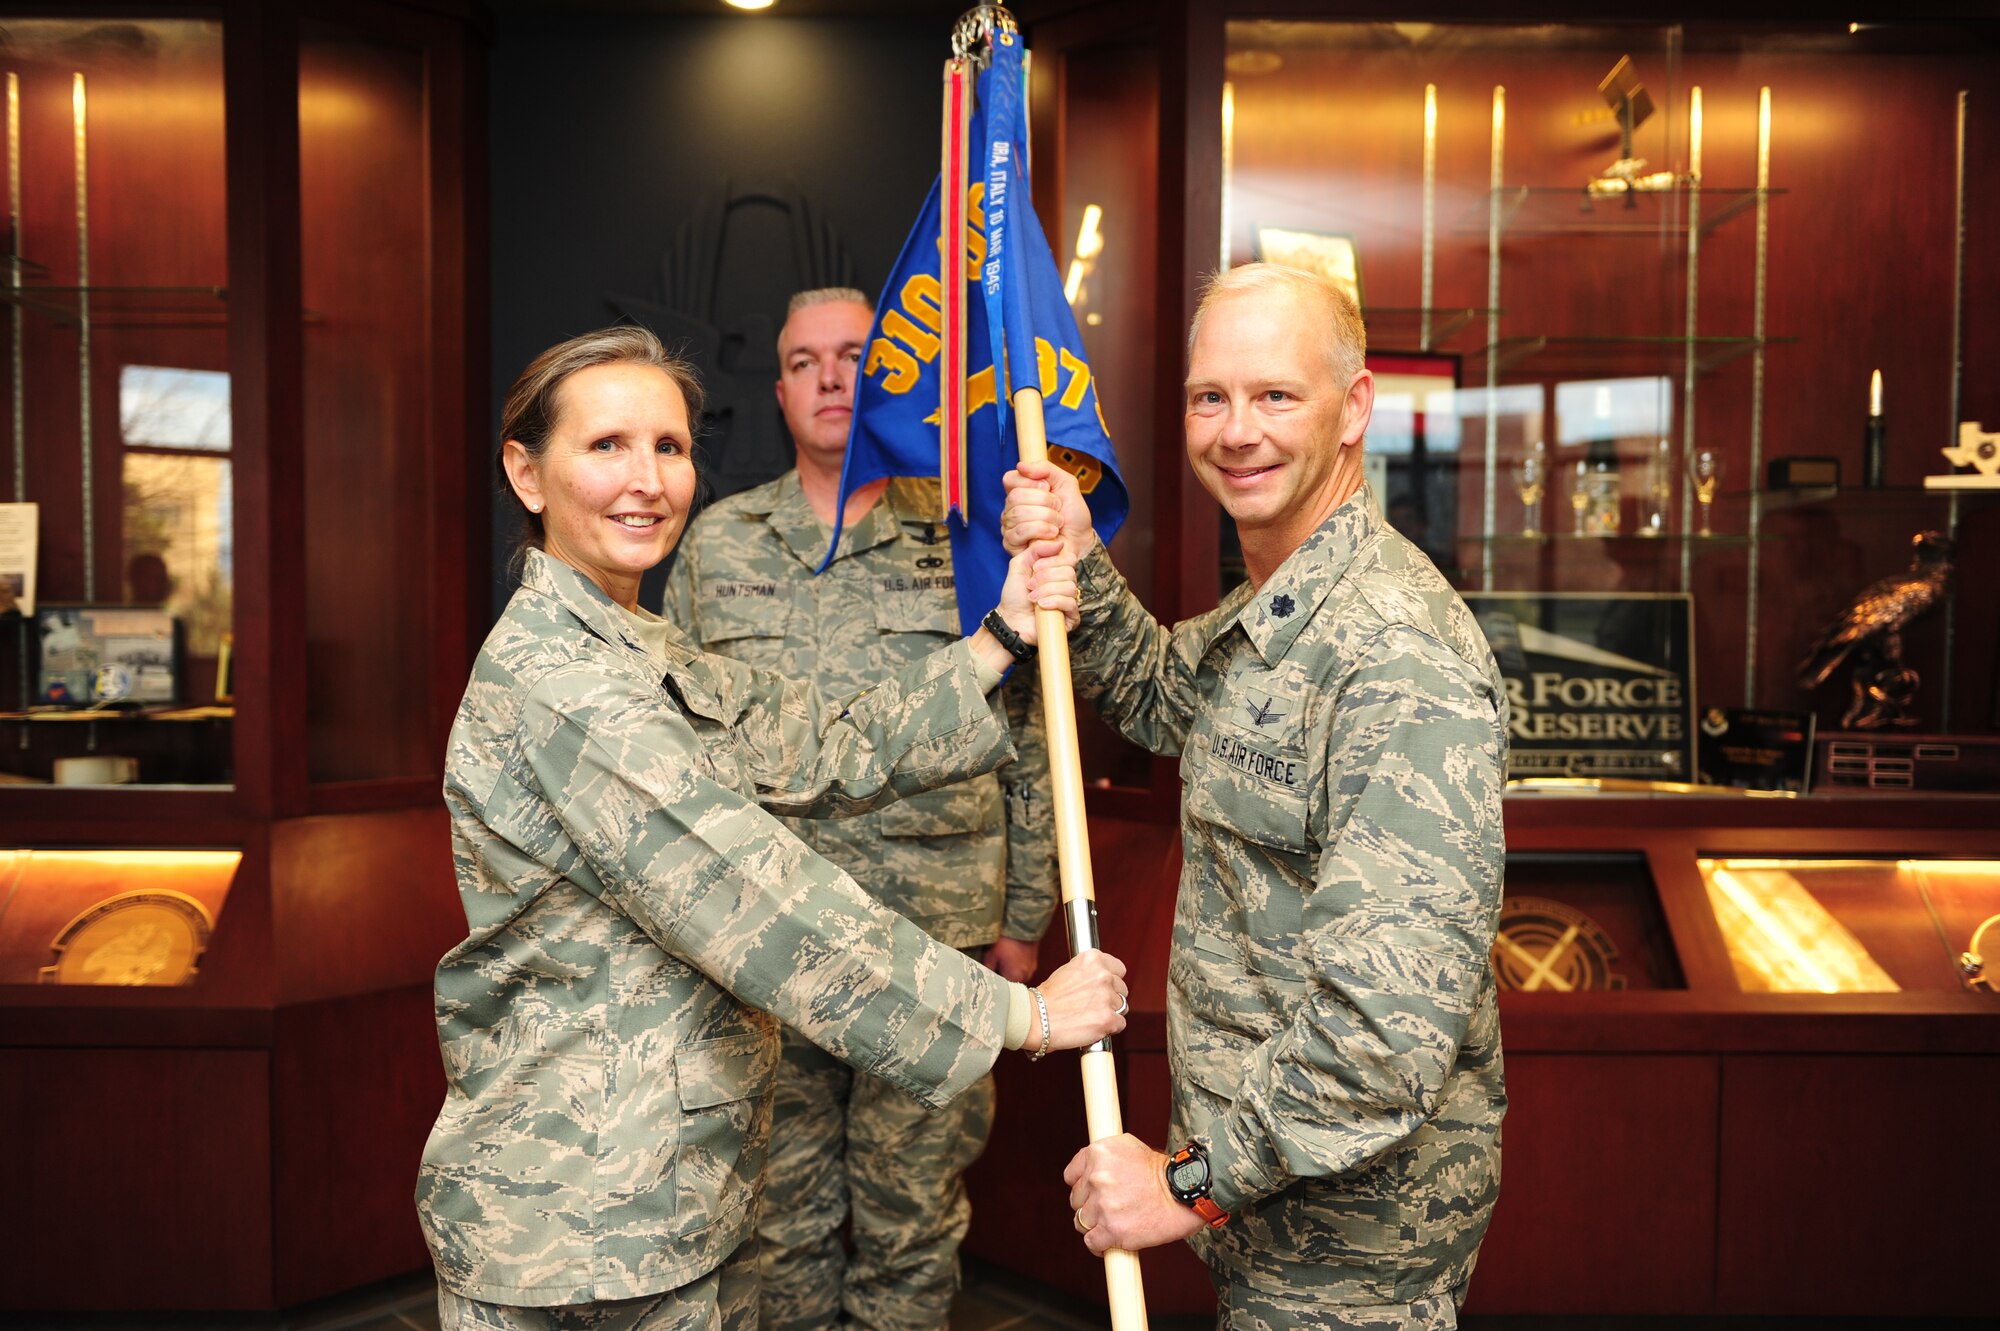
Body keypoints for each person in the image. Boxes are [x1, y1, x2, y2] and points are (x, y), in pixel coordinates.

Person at [417, 324, 1129, 1331]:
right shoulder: (564, 682)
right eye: (607, 444)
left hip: (661, 1194)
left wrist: (998, 637)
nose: (647, 479)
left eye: (669, 446)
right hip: (581, 1222)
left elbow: (821, 739)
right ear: (526, 474)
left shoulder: (636, 647)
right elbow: (757, 897)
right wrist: (1024, 1018)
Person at [1004, 263, 1508, 1330]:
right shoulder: (1279, 608)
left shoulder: (1396, 657)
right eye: (1210, 397)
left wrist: (1186, 1183)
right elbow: (1163, 695)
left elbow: (1379, 1035)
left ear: (1353, 408)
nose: (1238, 431)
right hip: (1272, 1220)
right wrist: (1081, 556)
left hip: (1348, 1248)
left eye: (1276, 394)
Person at [662, 288, 1056, 1331]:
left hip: (936, 935)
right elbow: (681, 747)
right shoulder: (719, 544)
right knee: (777, 1212)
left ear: (891, 374)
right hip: (767, 939)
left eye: (854, 354)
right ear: (780, 389)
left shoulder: (968, 537)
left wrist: (1024, 917)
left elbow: (1026, 740)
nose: (831, 377)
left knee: (911, 1214)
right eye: (805, 361)